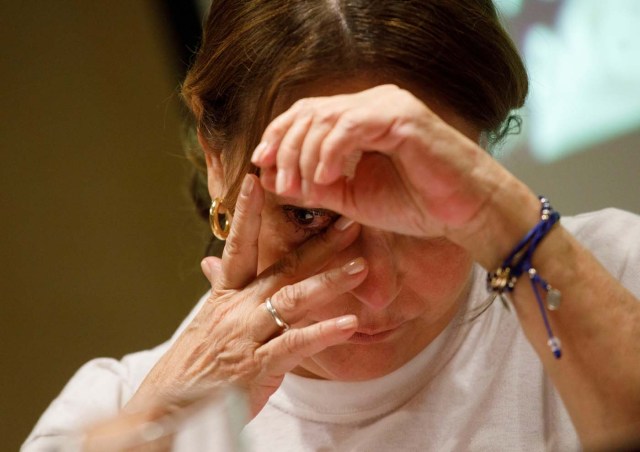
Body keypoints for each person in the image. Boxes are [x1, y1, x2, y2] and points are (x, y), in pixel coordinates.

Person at [23, 0, 640, 450]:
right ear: (217, 160)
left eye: (421, 209)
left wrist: (508, 224)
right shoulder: (104, 410)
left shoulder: (614, 275)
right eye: (309, 217)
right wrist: (170, 417)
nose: (374, 291)